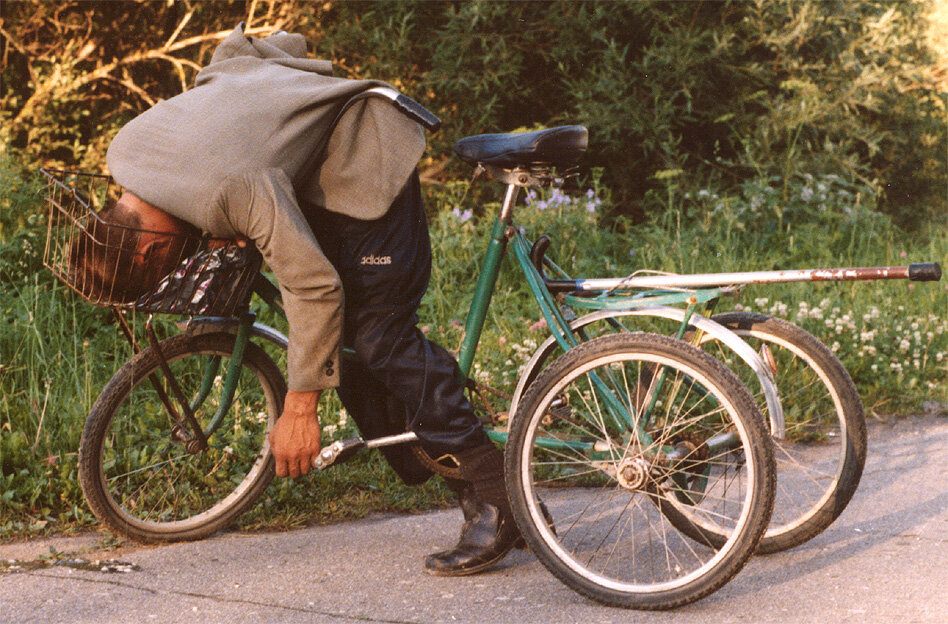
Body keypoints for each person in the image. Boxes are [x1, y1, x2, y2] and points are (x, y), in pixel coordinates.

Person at [82, 23, 520, 576]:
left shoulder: (229, 188)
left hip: (364, 158)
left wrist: (300, 408)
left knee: (378, 335)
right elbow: (227, 72)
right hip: (313, 176)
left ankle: (499, 495)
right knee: (349, 342)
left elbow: (314, 287)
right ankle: (446, 454)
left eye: (159, 269)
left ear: (146, 251)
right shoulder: (128, 151)